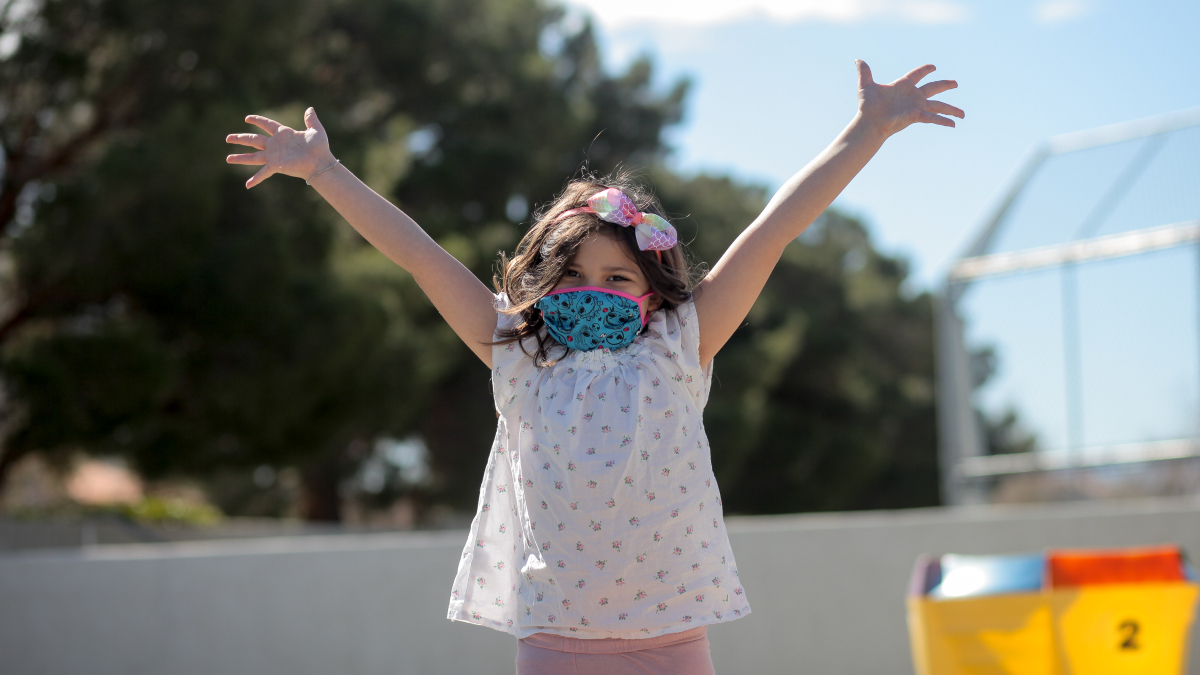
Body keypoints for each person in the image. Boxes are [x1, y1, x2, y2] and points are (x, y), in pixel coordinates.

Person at [225, 59, 962, 675]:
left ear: (652, 288)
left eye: (618, 278)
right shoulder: (517, 350)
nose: (594, 292)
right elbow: (419, 255)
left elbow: (773, 230)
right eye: (574, 276)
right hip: (554, 641)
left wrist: (866, 132)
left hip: (672, 637)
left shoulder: (679, 346)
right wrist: (325, 171)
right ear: (543, 285)